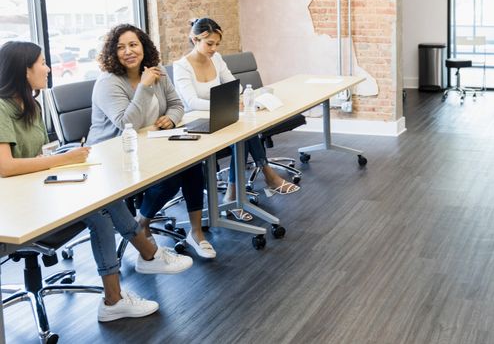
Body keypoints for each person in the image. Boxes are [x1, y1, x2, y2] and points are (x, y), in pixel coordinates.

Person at [0, 41, 192, 323]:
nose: (48, 67)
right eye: (42, 62)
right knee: (99, 215)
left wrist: (65, 158)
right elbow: (6, 167)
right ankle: (133, 276)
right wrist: (64, 161)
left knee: (105, 197)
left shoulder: (31, 104)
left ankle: (139, 270)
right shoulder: (2, 107)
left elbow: (39, 154)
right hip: (16, 207)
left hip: (38, 189)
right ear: (24, 70)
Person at [88, 24, 216, 260]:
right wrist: (145, 86)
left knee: (192, 165)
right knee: (171, 176)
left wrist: (171, 118)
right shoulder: (108, 83)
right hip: (114, 154)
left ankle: (196, 233)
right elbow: (127, 123)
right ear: (112, 53)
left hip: (153, 144)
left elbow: (177, 105)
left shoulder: (156, 72)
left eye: (133, 44)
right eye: (120, 47)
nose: (128, 51)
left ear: (143, 47)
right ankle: (141, 224)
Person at [172, 18, 298, 218]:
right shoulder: (182, 67)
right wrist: (225, 104)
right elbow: (191, 102)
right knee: (244, 134)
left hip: (221, 116)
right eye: (209, 44)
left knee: (245, 132)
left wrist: (233, 100)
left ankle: (233, 193)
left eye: (217, 44)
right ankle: (264, 176)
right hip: (195, 123)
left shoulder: (216, 58)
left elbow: (235, 86)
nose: (214, 49)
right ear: (195, 40)